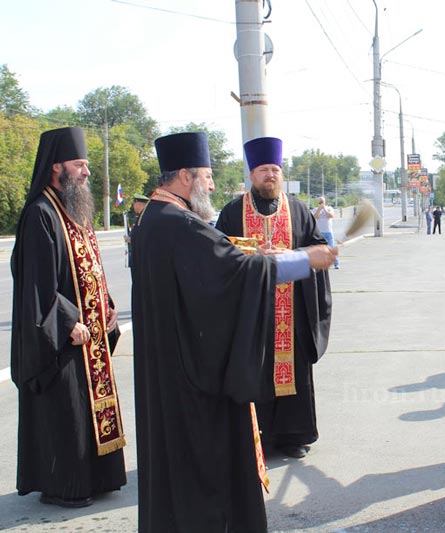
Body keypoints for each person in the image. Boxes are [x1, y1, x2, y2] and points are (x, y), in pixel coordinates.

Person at [130, 132, 337, 532]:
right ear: (187, 176)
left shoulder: (153, 218)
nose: (211, 184)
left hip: (170, 366)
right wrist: (303, 261)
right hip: (193, 378)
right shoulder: (178, 225)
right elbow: (234, 274)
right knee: (203, 469)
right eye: (206, 176)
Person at [10, 126, 126, 508]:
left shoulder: (76, 209)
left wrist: (105, 306)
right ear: (57, 166)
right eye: (81, 164)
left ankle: (99, 477)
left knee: (89, 406)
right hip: (65, 337)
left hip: (91, 330)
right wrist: (65, 322)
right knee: (67, 411)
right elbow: (35, 284)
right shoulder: (40, 214)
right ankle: (64, 485)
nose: (87, 172)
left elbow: (91, 268)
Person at [216, 136, 333, 459]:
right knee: (256, 368)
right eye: (264, 169)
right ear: (252, 175)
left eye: (276, 169)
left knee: (293, 369)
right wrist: (255, 251)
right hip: (251, 312)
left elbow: (316, 246)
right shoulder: (232, 211)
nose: (271, 175)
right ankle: (259, 436)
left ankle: (294, 436)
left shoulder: (296, 209)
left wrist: (302, 254)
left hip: (291, 311)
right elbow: (219, 253)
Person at [314, 196, 340, 268]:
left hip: (328, 232)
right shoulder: (315, 209)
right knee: (319, 250)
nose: (321, 203)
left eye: (322, 202)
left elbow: (331, 216)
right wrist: (319, 209)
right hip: (320, 233)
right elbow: (315, 217)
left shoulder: (329, 208)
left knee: (331, 248)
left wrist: (324, 209)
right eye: (320, 202)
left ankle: (336, 263)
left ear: (325, 202)